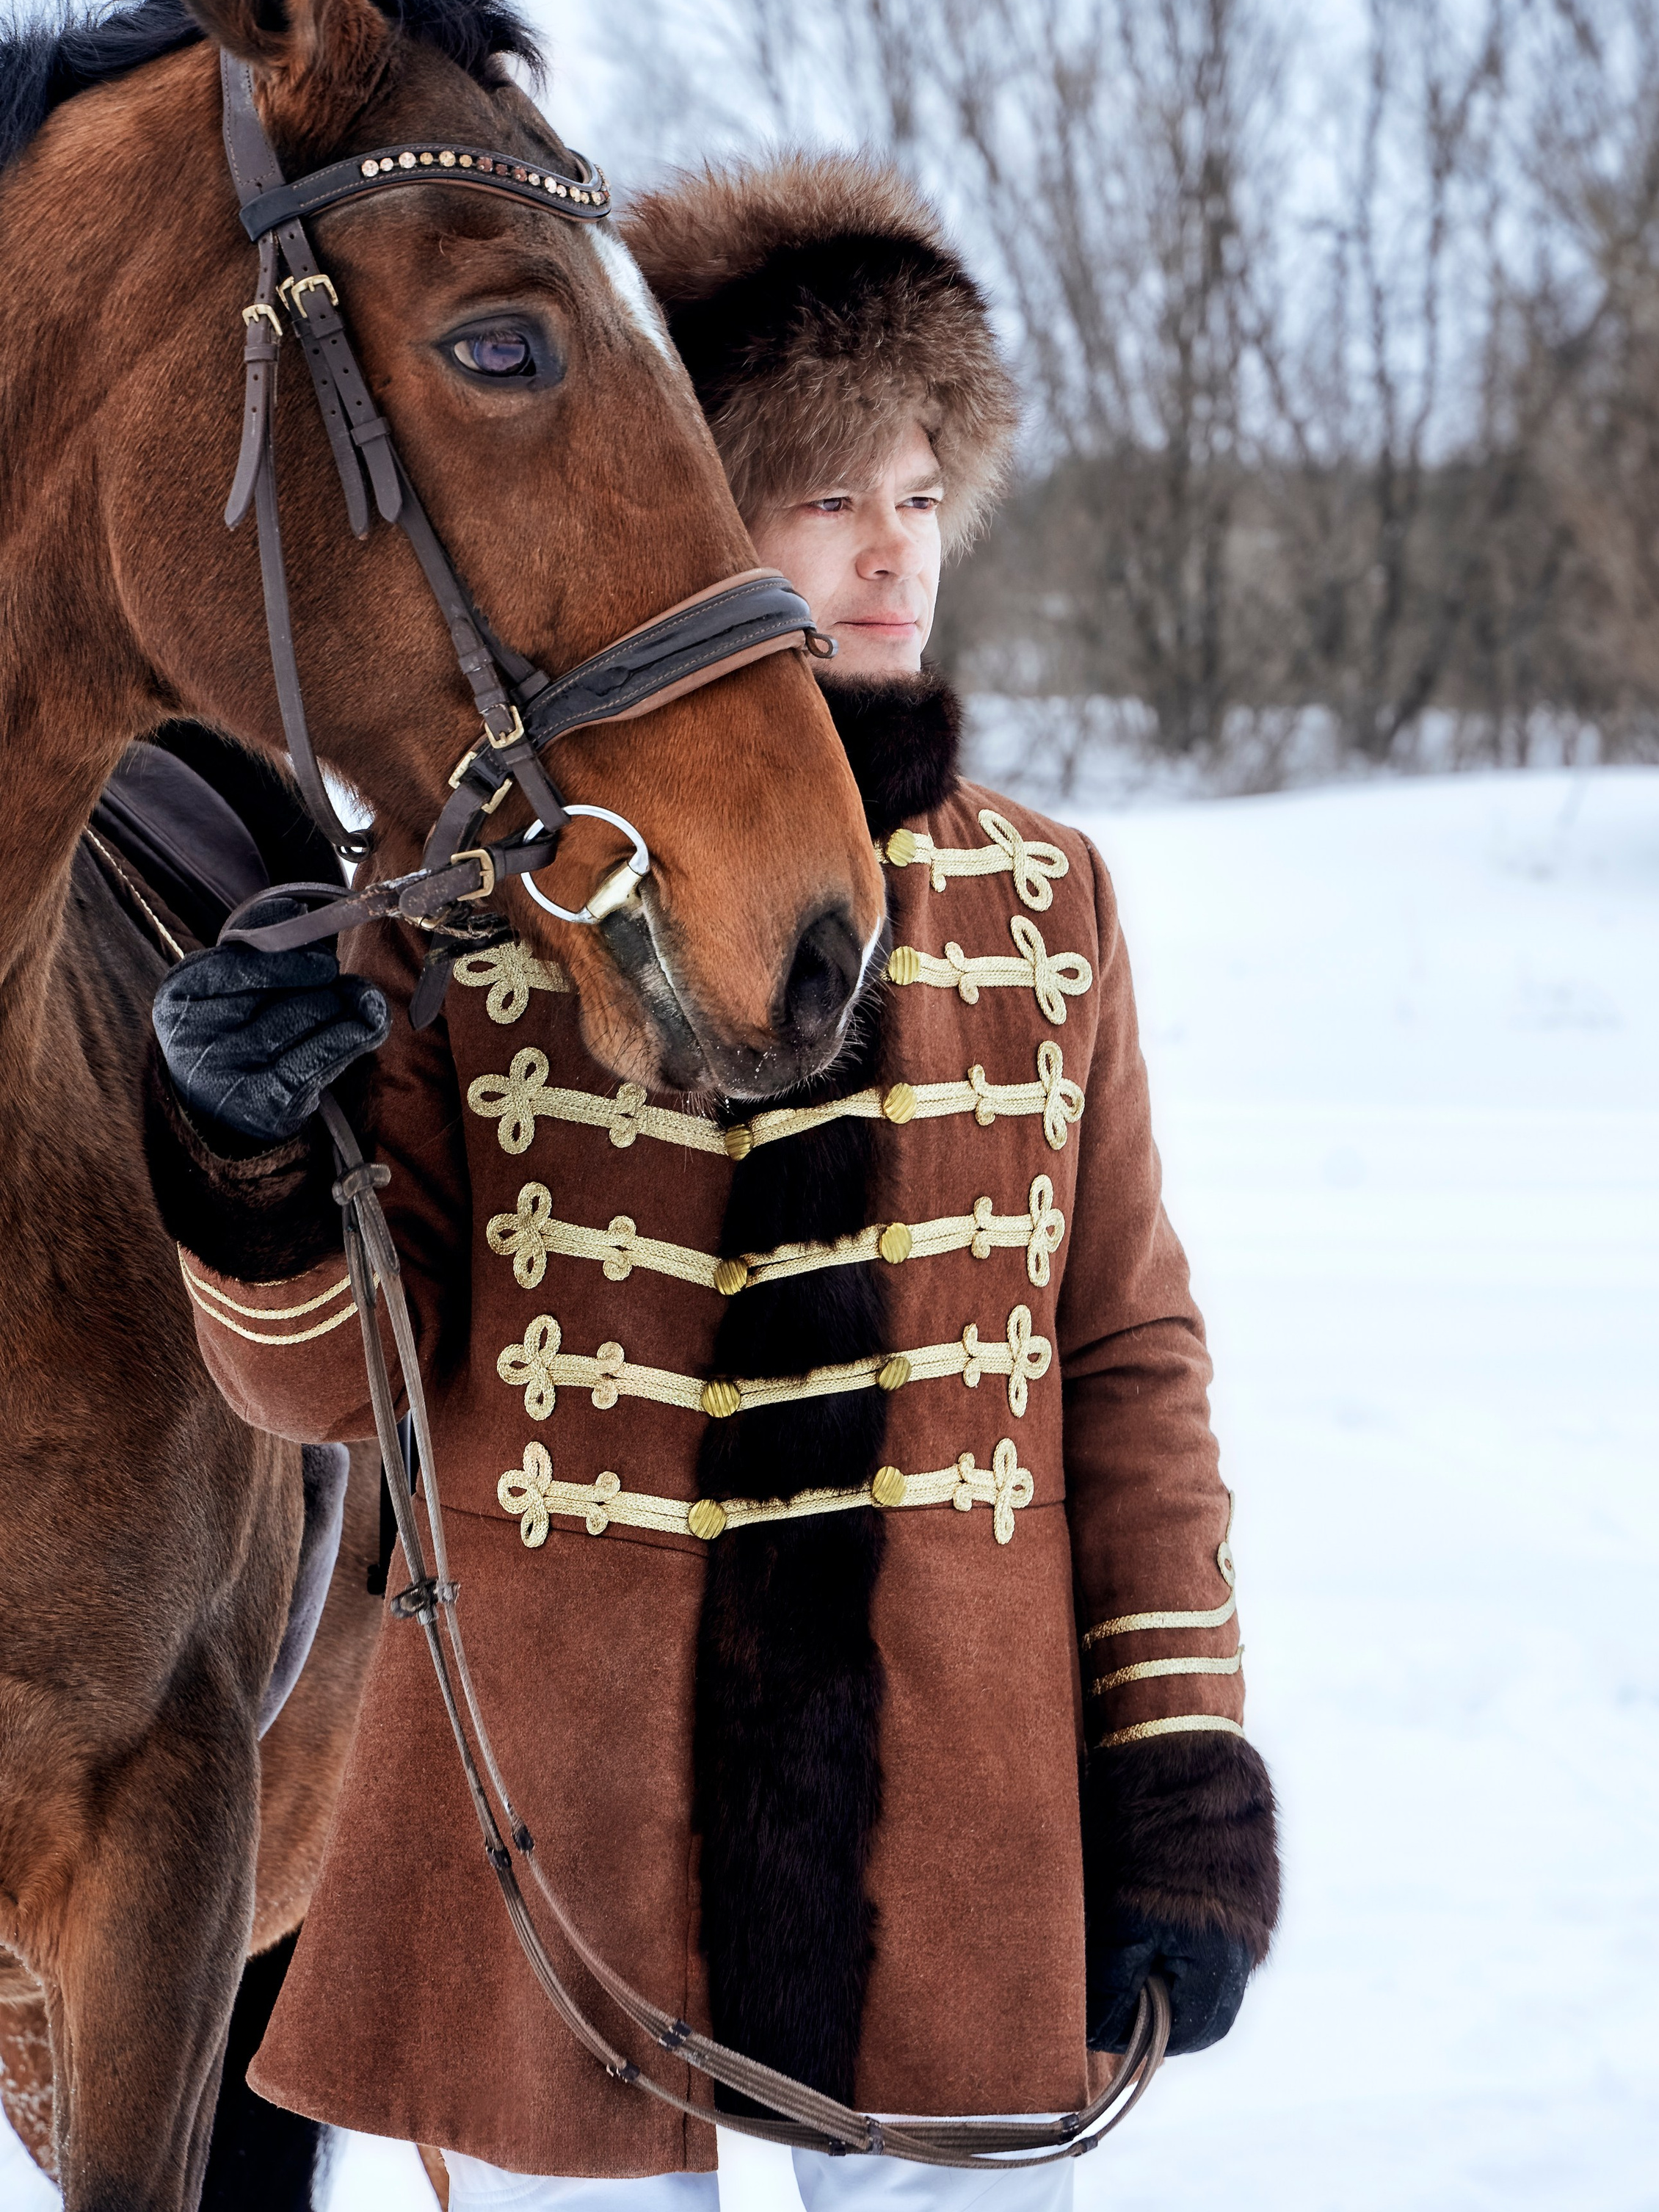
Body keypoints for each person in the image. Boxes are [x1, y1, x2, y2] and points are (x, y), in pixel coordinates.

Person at [146, 155, 1280, 2209]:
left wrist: (1176, 1767)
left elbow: (1125, 1361)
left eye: (920, 494)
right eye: (826, 493)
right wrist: (242, 1167)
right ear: (701, 525)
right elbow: (338, 1389)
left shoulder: (1046, 902)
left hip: (959, 1829)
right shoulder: (494, 920)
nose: (887, 553)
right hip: (560, 1839)